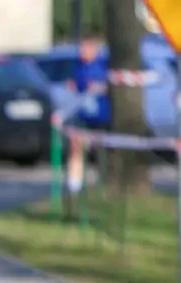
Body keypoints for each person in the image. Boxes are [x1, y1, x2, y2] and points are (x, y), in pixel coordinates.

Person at [64, 36, 110, 199]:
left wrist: (99, 88)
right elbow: (77, 89)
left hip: (101, 116)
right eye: (81, 48)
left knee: (100, 152)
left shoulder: (103, 65)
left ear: (94, 49)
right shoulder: (78, 67)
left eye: (86, 48)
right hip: (83, 116)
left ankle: (103, 185)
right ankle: (74, 185)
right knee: (76, 146)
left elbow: (107, 86)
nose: (82, 51)